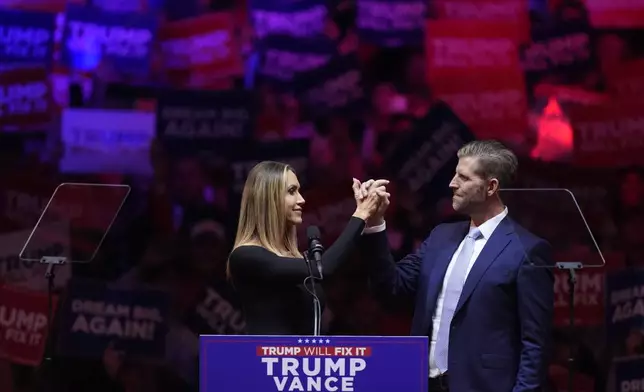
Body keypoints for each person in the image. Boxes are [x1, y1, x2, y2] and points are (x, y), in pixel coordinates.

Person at [356, 140, 554, 392]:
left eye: (463, 177)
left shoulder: (527, 250)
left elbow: (535, 344)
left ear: (491, 186)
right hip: (423, 384)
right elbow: (391, 287)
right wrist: (375, 225)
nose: (452, 183)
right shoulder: (441, 237)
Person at [227, 161, 388, 335]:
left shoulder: (296, 258)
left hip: (304, 361)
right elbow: (323, 269)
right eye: (291, 191)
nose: (302, 199)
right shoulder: (245, 255)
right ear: (268, 198)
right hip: (263, 361)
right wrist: (360, 215)